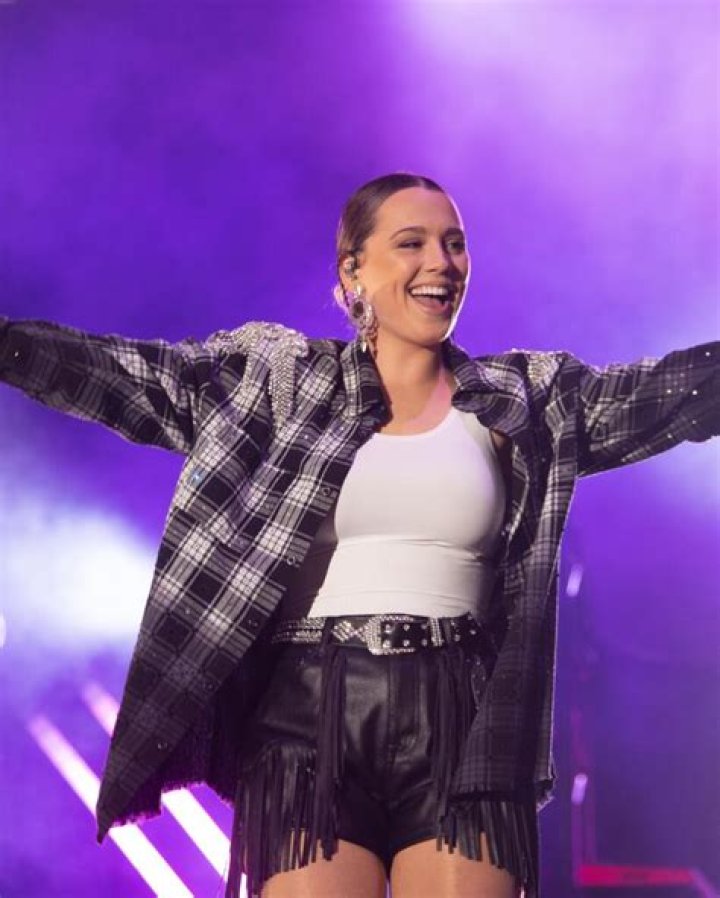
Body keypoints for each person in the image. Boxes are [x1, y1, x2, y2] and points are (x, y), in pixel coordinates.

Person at [0, 172, 717, 898]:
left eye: (455, 244)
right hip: (307, 714)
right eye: (412, 243)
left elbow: (662, 395)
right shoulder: (279, 381)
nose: (441, 262)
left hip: (462, 716)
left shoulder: (522, 397)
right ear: (353, 272)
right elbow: (127, 377)